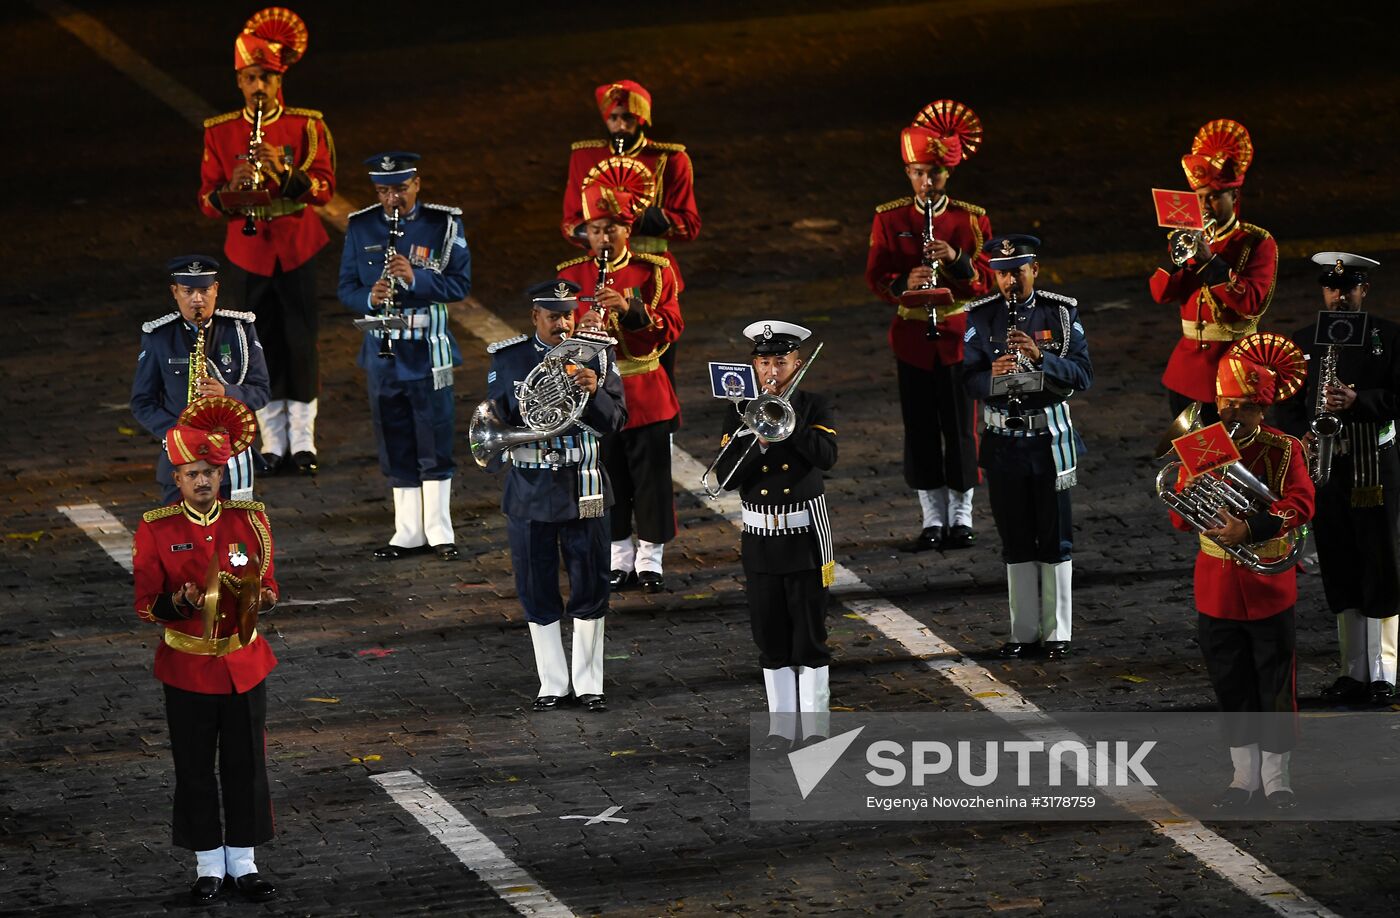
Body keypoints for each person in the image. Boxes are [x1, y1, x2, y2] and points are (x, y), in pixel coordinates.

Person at [131, 397, 281, 903]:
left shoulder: (250, 520)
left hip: (243, 664)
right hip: (189, 670)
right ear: (176, 479)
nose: (202, 482)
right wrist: (178, 602)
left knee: (247, 766)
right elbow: (146, 604)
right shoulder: (157, 528)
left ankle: (244, 862)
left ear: (222, 475)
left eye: (209, 473)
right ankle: (207, 866)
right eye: (191, 474)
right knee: (194, 769)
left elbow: (267, 580)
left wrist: (265, 597)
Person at [1167, 333, 1313, 809]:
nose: (1228, 415)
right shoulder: (1204, 443)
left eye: (1242, 408)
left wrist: (1249, 528)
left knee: (1274, 681)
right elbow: (1176, 515)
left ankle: (1278, 779)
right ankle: (1243, 778)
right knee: (1229, 678)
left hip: (1268, 581)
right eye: (1225, 403)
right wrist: (1194, 482)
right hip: (1217, 585)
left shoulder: (1285, 448)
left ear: (1261, 409)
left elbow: (1301, 504)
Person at [199, 7, 335, 475]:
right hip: (247, 251)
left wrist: (285, 170)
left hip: (296, 245)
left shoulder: (307, 125)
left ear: (280, 81)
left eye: (268, 79)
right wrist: (230, 187)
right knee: (258, 346)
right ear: (239, 81)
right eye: (252, 78)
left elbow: (323, 189)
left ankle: (304, 441)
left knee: (301, 342)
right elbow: (206, 201)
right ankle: (271, 441)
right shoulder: (220, 132)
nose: (260, 87)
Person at [483, 281, 627, 712]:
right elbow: (497, 420)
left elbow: (617, 420)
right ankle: (552, 682)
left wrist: (593, 391)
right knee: (535, 586)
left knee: (591, 583)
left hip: (585, 486)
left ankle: (589, 683)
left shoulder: (598, 355)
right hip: (529, 490)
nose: (562, 324)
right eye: (553, 316)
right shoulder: (508, 359)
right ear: (535, 318)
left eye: (567, 315)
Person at [865, 100, 993, 552]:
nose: (925, 182)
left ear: (947, 174)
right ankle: (931, 517)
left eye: (934, 173)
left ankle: (962, 515)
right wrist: (904, 282)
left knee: (960, 427)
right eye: (918, 172)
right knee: (919, 427)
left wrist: (956, 260)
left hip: (958, 337)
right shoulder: (890, 217)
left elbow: (990, 279)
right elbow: (876, 276)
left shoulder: (968, 218)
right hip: (912, 336)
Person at [1274, 253, 1400, 704]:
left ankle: (1384, 670)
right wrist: (1299, 433)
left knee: (1380, 564)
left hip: (1374, 467)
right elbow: (1285, 402)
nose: (1339, 295)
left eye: (1349, 288)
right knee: (1341, 564)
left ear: (1364, 290)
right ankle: (1353, 670)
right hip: (1324, 466)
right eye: (1331, 287)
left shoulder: (1389, 335)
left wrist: (1358, 400)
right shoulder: (1304, 340)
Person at [963, 236, 1092, 660]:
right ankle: (1023, 631)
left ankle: (1057, 632)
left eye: (1017, 271)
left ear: (1035, 269)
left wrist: (1041, 358)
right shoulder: (981, 318)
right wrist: (991, 376)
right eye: (1002, 273)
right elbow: (966, 379)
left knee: (1055, 539)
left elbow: (1083, 375)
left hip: (1048, 442)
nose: (1009, 281)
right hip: (1003, 443)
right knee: (1015, 538)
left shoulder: (1060, 311)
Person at [558, 157, 683, 593]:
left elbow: (671, 328)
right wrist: (578, 331)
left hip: (644, 388)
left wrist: (630, 310)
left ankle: (650, 557)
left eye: (611, 228)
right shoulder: (570, 277)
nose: (603, 238)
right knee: (605, 475)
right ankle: (618, 554)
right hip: (595, 394)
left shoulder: (655, 271)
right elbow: (553, 337)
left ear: (628, 228)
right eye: (595, 229)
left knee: (650, 479)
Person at [338, 152, 470, 560]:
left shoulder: (443, 223)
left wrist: (416, 277)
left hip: (429, 349)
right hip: (382, 352)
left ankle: (439, 528)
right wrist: (368, 297)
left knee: (434, 435)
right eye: (383, 191)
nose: (391, 199)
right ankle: (408, 530)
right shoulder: (361, 225)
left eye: (399, 189)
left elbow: (460, 284)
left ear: (417, 184)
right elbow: (346, 287)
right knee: (393, 435)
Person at [714, 321, 837, 752]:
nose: (771, 371)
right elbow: (727, 479)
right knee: (770, 634)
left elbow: (827, 457)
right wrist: (756, 438)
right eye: (764, 361)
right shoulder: (740, 410)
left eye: (780, 362)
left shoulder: (813, 405)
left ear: (796, 364)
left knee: (809, 633)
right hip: (761, 539)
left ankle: (816, 727)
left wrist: (790, 425)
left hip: (805, 535)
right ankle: (782, 727)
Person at [562, 79, 699, 385]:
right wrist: (601, 232)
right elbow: (570, 224)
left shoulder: (670, 159)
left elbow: (689, 225)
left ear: (642, 119)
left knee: (657, 355)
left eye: (628, 118)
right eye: (614, 118)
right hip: (601, 268)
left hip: (650, 274)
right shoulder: (584, 157)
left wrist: (640, 216)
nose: (621, 125)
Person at [1152, 119, 1277, 425]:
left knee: (1234, 460)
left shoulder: (1256, 242)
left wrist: (1210, 262)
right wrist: (1178, 259)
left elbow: (1251, 304)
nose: (1206, 205)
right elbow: (1161, 295)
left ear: (1234, 198)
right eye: (1201, 196)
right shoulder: (1191, 236)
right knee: (1195, 461)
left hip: (1234, 370)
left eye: (1214, 196)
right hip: (1187, 372)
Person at [132, 256, 270, 504]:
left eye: (205, 290)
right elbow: (143, 402)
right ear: (175, 292)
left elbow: (261, 392)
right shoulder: (159, 337)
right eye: (188, 291)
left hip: (230, 466)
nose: (197, 299)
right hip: (181, 462)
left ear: (216, 289)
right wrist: (178, 433)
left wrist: (227, 393)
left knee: (233, 540)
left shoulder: (239, 329)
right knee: (182, 538)